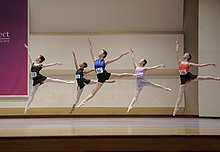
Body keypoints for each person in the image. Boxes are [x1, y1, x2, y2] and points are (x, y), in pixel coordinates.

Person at [77, 38, 139, 107]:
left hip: (105, 74)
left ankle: (135, 74)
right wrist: (90, 43)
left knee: (120, 75)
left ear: (103, 55)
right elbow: (91, 50)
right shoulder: (95, 61)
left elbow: (115, 59)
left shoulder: (105, 62)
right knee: (93, 92)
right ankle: (84, 101)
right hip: (100, 79)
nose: (99, 52)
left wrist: (121, 55)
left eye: (101, 52)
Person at [173, 38, 220, 116]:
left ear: (188, 57)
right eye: (184, 53)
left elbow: (200, 65)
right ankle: (176, 107)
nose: (184, 54)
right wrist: (177, 44)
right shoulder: (180, 61)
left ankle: (216, 78)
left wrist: (209, 64)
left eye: (186, 54)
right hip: (183, 78)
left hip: (188, 76)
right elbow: (177, 52)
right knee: (180, 94)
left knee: (203, 78)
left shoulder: (189, 63)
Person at [24, 44, 74, 113]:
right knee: (32, 94)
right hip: (35, 80)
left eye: (38, 56)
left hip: (40, 78)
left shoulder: (40, 65)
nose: (36, 56)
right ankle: (27, 106)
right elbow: (29, 56)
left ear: (40, 59)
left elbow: (49, 65)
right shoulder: (32, 63)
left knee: (54, 80)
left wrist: (56, 63)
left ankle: (67, 82)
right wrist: (27, 49)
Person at [127, 48, 171, 112]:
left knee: (155, 85)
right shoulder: (136, 67)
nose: (139, 60)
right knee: (135, 96)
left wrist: (159, 65)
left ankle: (165, 88)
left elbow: (152, 68)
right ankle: (130, 106)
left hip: (144, 81)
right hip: (138, 83)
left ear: (143, 62)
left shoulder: (144, 68)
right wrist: (132, 53)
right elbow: (133, 60)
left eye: (141, 60)